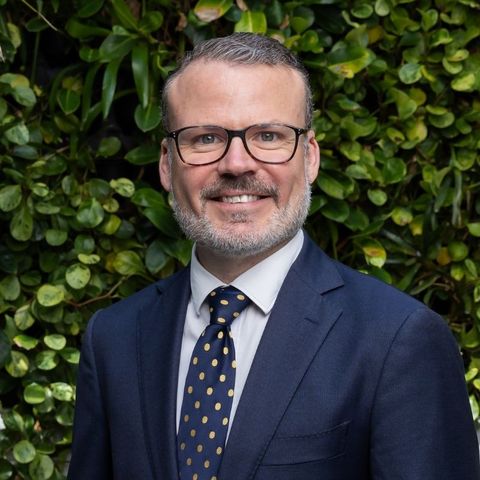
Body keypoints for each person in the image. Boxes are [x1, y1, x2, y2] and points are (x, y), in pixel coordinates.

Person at [68, 33, 480, 480]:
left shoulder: (398, 340)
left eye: (268, 135)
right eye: (206, 138)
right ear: (167, 164)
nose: (237, 164)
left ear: (310, 158)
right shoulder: (113, 339)